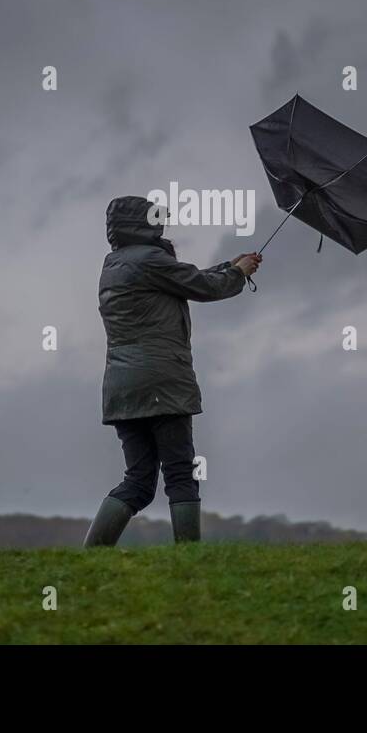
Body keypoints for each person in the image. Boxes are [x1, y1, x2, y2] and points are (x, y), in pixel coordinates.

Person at [83, 196, 261, 547]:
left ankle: (92, 554)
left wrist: (231, 265)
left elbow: (187, 279)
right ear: (143, 225)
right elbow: (203, 287)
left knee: (138, 481)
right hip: (162, 383)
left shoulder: (115, 263)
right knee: (180, 474)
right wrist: (239, 273)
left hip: (123, 389)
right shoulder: (151, 260)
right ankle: (189, 560)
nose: (161, 225)